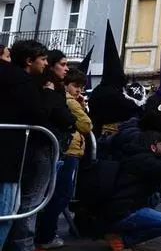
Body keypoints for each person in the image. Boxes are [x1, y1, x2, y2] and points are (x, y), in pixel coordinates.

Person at [101, 129, 161, 251]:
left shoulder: (135, 156)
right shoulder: (145, 161)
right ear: (152, 147)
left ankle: (120, 230)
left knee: (154, 199)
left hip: (117, 209)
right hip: (122, 212)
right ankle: (122, 238)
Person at [35, 69, 92, 249]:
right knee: (61, 193)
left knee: (57, 193)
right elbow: (86, 124)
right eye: (75, 86)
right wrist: (79, 108)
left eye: (81, 87)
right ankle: (46, 235)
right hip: (69, 151)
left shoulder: (69, 100)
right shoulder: (69, 102)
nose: (78, 90)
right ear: (66, 84)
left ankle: (44, 233)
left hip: (68, 149)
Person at [0, 40, 49, 249]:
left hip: (11, 154)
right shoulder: (19, 80)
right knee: (6, 210)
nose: (46, 63)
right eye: (43, 59)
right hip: (8, 156)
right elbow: (37, 114)